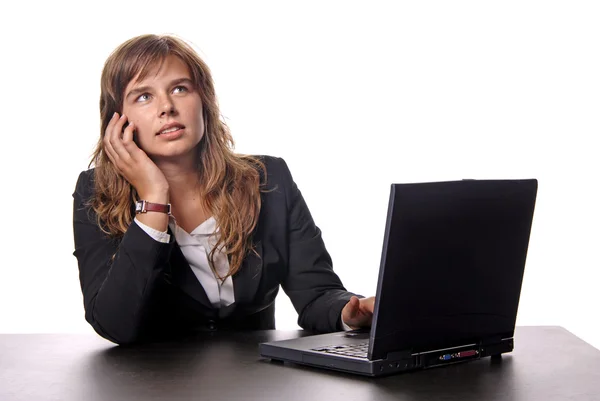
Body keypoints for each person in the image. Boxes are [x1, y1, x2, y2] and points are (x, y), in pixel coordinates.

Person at [72, 34, 375, 345]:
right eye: (143, 96)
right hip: (150, 386)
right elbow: (113, 324)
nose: (166, 107)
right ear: (117, 121)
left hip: (254, 382)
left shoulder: (269, 180)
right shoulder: (95, 193)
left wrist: (349, 313)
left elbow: (317, 295)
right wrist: (153, 199)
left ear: (204, 99)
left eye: (180, 88)